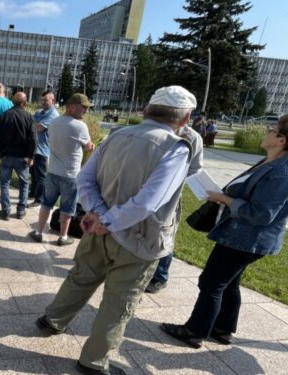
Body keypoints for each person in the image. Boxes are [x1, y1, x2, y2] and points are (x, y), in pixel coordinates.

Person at [36, 86, 198, 375]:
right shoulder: (176, 148)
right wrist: (106, 220)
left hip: (100, 229)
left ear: (147, 110)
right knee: (119, 301)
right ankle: (93, 361)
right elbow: (149, 202)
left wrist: (98, 215)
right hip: (138, 239)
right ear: (184, 119)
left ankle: (53, 319)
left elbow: (85, 179)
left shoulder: (118, 135)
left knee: (81, 277)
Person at [160, 113, 288, 350]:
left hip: (246, 239)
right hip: (241, 236)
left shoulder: (283, 174)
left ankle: (193, 332)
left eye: (273, 128)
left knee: (211, 283)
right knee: (228, 282)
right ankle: (222, 329)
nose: (267, 130)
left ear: (282, 140)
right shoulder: (271, 162)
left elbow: (260, 215)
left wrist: (224, 199)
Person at [145, 125, 205, 294]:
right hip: (144, 189)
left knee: (165, 233)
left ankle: (160, 276)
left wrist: (171, 176)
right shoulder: (154, 129)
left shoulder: (191, 137)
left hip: (169, 194)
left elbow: (195, 169)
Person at [29, 93, 94, 246]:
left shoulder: (54, 122)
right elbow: (87, 147)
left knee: (46, 203)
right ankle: (63, 237)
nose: (85, 111)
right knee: (67, 207)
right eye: (83, 107)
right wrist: (91, 146)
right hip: (70, 175)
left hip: (52, 171)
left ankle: (38, 232)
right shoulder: (80, 126)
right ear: (72, 108)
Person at [0, 92, 37, 221]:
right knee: (24, 184)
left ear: (13, 102)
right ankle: (21, 211)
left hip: (6, 156)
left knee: (4, 184)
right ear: (24, 103)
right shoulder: (29, 117)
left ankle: (5, 210)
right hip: (22, 157)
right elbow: (33, 138)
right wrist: (31, 156)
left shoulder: (4, 115)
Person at [28, 90, 59, 208]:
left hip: (43, 150)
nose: (43, 102)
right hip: (35, 148)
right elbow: (32, 124)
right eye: (42, 100)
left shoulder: (53, 115)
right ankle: (32, 193)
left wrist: (31, 125)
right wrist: (32, 125)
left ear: (53, 101)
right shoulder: (40, 112)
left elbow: (39, 128)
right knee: (33, 173)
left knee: (41, 175)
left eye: (46, 100)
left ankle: (39, 199)